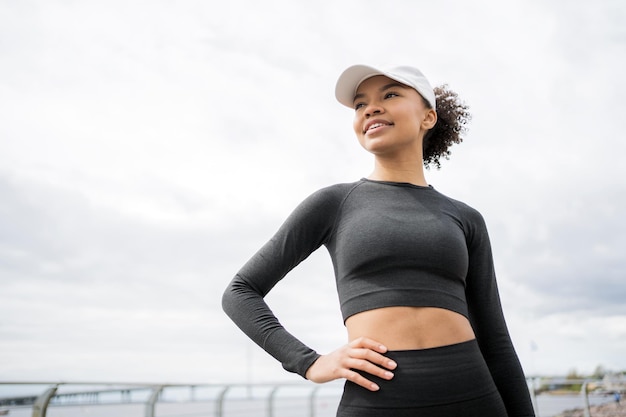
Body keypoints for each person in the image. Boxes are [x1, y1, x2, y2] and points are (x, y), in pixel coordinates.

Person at [222, 64, 536, 417]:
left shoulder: (466, 218)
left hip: (473, 395)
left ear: (428, 117)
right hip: (376, 398)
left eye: (390, 95)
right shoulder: (334, 203)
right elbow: (240, 292)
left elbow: (496, 342)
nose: (370, 108)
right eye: (360, 104)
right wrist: (308, 362)